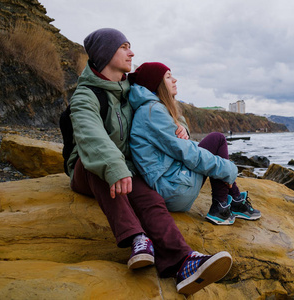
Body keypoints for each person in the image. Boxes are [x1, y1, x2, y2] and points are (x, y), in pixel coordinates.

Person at [67, 28, 232, 295]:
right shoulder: (85, 95)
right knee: (98, 167)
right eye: (124, 47)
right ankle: (136, 238)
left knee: (150, 199)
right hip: (88, 171)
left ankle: (183, 263)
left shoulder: (130, 89)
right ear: (105, 53)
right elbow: (91, 136)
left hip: (126, 171)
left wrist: (182, 128)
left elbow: (163, 107)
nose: (131, 52)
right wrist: (115, 166)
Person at [127, 62, 261, 225]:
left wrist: (183, 128)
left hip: (169, 182)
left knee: (213, 147)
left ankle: (233, 201)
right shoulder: (152, 111)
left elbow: (182, 146)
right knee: (217, 140)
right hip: (173, 189)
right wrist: (228, 168)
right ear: (156, 84)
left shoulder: (152, 109)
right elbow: (187, 152)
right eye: (168, 77)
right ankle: (223, 205)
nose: (175, 80)